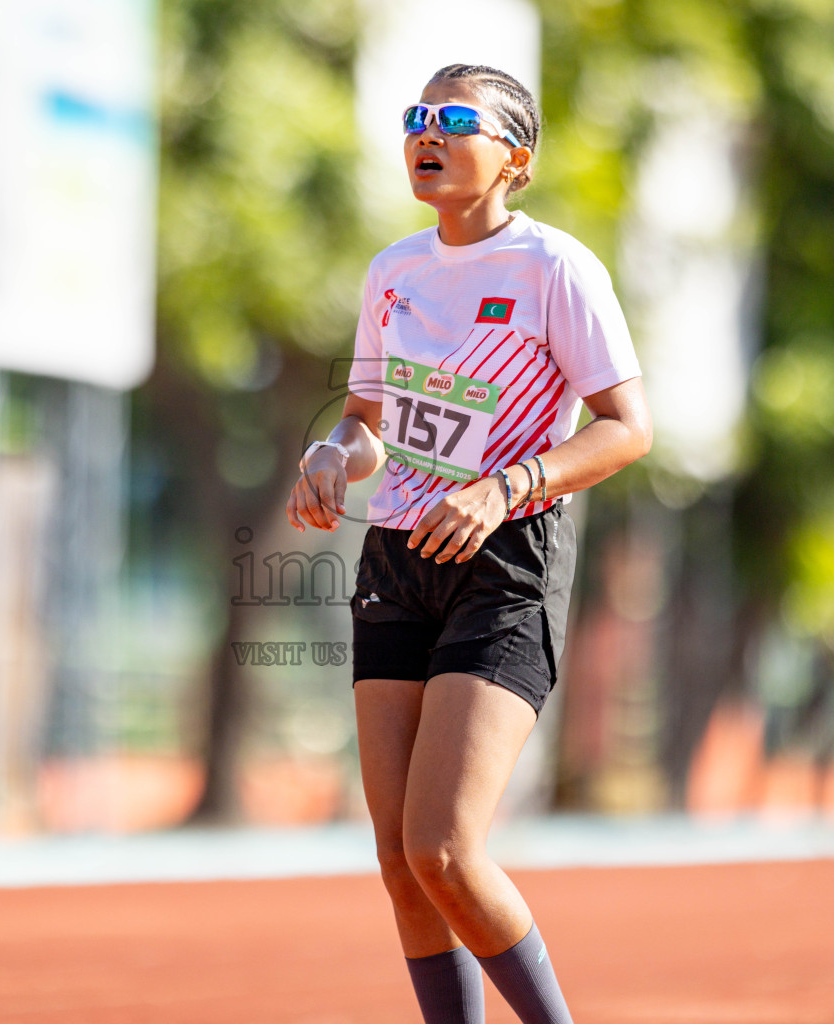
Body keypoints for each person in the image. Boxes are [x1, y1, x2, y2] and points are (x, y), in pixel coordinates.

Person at [285, 63, 652, 1024]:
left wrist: (507, 485)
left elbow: (627, 427)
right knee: (400, 860)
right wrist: (329, 454)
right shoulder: (394, 271)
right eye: (415, 119)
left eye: (452, 120)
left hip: (506, 561)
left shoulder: (556, 269)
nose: (424, 134)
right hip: (397, 561)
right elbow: (367, 421)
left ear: (515, 158)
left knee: (444, 845)